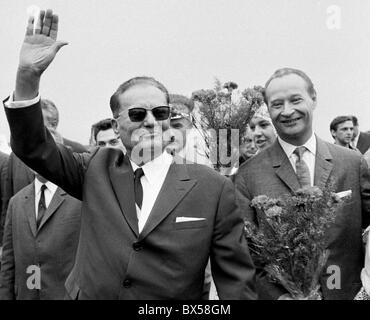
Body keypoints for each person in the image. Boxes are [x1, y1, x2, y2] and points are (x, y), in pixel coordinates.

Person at [4, 9, 256, 300]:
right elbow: (33, 147)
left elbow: (236, 285)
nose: (150, 121)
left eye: (160, 112)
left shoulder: (213, 188)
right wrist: (27, 76)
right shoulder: (95, 169)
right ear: (115, 125)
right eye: (137, 114)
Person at [235, 67, 370, 300]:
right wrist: (277, 297)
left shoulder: (352, 162)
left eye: (295, 100)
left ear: (313, 99)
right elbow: (245, 256)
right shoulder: (249, 175)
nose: (287, 111)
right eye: (277, 104)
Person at [0, 131, 82, 300]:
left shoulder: (79, 198)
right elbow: (8, 261)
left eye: (43, 150)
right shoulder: (17, 202)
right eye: (31, 152)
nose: (36, 157)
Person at [168, 94, 212, 167]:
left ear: (190, 126)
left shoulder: (201, 161)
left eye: (177, 126)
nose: (170, 133)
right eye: (163, 127)